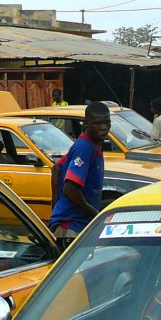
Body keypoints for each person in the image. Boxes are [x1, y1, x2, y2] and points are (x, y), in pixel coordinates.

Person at [48, 102, 110, 249]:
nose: (104, 128)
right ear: (86, 124)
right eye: (98, 124)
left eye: (107, 123)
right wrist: (96, 215)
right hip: (70, 229)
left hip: (77, 227)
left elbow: (57, 168)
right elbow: (70, 189)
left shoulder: (93, 146)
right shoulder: (84, 147)